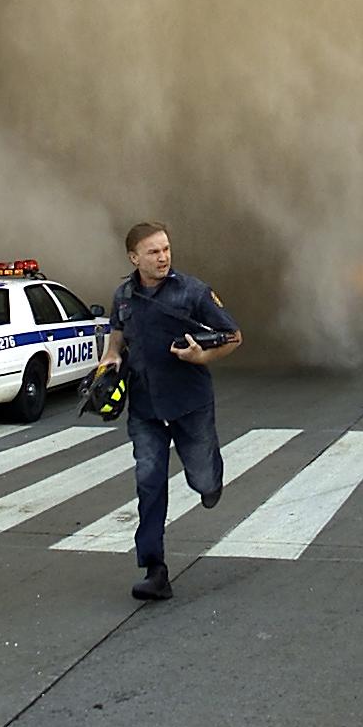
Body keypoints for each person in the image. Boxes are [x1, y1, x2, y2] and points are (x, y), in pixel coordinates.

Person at [96, 221, 242, 602]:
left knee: (203, 478)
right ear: (134, 258)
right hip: (145, 407)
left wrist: (202, 355)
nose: (163, 257)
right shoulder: (123, 296)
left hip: (189, 403)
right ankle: (154, 568)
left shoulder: (192, 292)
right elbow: (115, 342)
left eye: (166, 249)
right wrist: (108, 364)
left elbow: (234, 336)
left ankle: (211, 481)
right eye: (153, 252)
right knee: (148, 482)